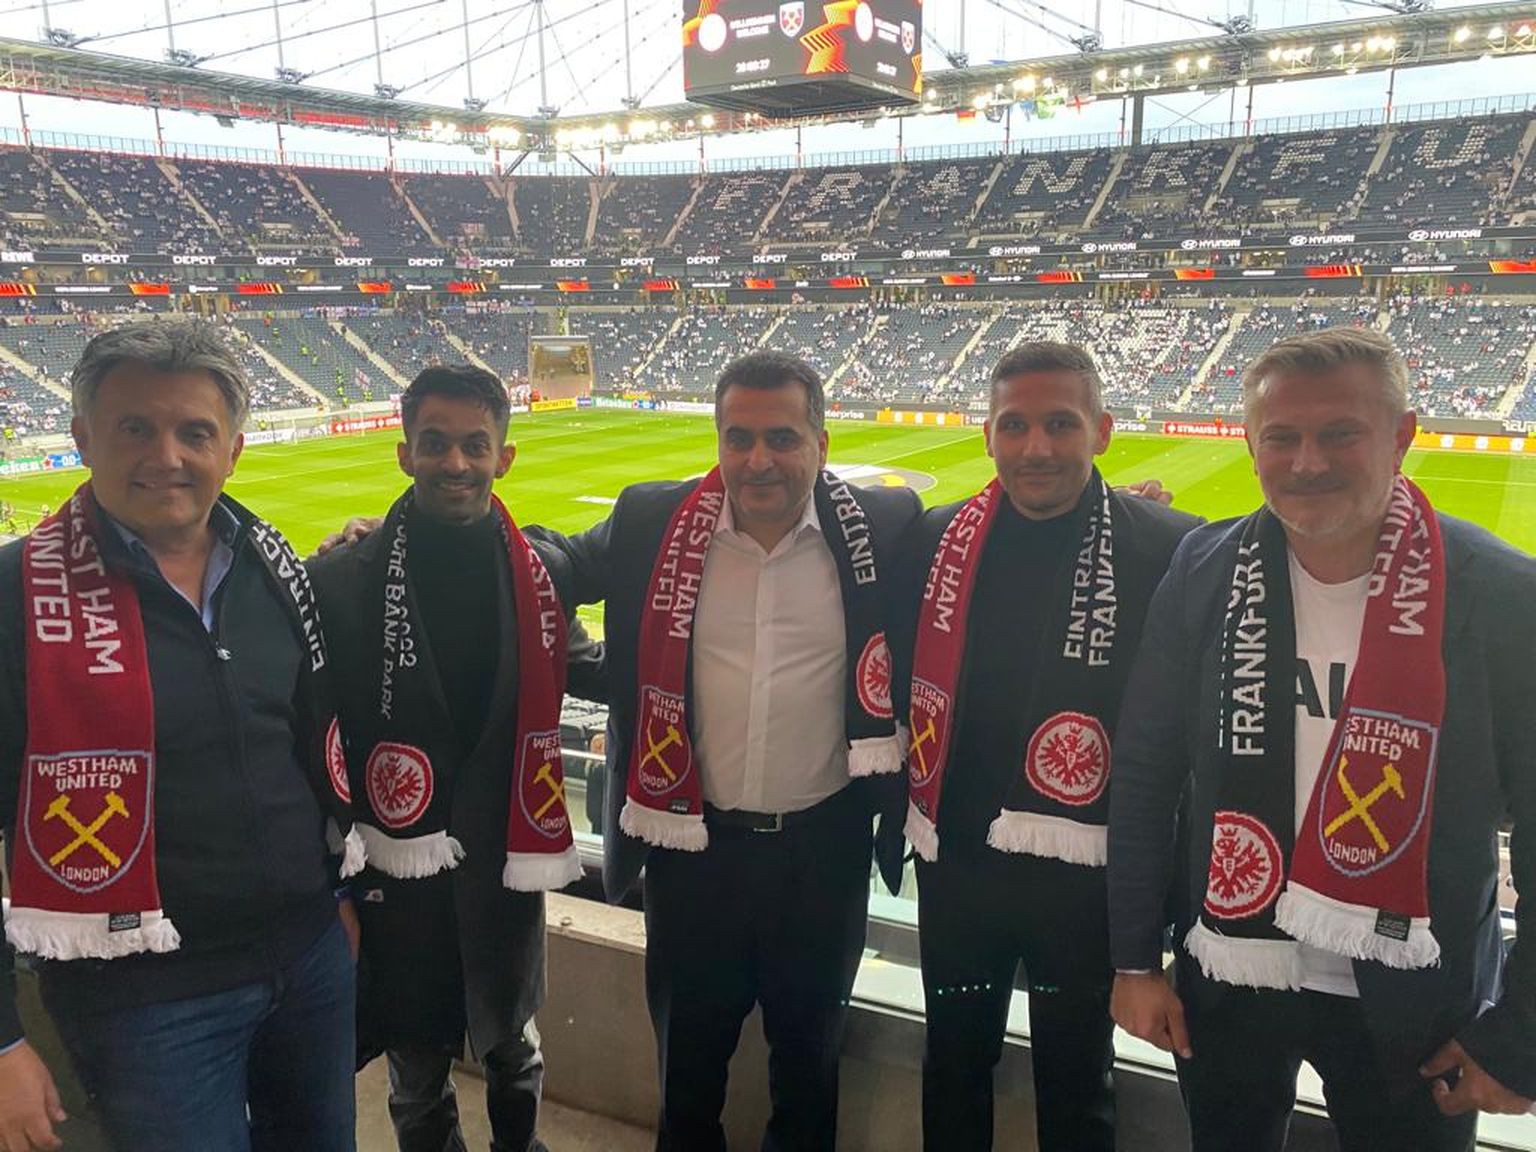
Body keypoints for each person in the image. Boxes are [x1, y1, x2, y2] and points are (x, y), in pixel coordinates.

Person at [1108, 326, 1536, 1151]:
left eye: (1340, 433)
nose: (1307, 463)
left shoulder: (1501, 595)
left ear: (1401, 436)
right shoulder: (1205, 569)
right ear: (1251, 446)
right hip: (1228, 974)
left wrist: (1521, 1036)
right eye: (1282, 438)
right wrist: (1132, 961)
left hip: (1418, 998)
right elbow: (1146, 771)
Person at [534, 350, 918, 1152]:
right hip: (692, 854)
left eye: (782, 438)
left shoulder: (884, 527)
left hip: (823, 855)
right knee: (686, 1080)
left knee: (808, 1078)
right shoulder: (653, 520)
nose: (758, 460)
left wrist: (1125, 519)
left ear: (821, 441)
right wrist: (422, 537)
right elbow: (556, 563)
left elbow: (983, 546)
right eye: (738, 437)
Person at [0, 319, 360, 1152]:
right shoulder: (15, 597)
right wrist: (4, 1041)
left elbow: (304, 751)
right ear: (83, 436)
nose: (166, 457)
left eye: (194, 433)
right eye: (135, 428)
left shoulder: (275, 570)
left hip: (309, 960)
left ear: (233, 451)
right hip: (144, 1002)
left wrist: (336, 901)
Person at [887, 342, 1200, 1151]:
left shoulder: (1168, 547)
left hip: (1087, 885)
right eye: (1015, 426)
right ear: (988, 434)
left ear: (1102, 430)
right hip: (957, 871)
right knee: (953, 1064)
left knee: (1078, 1082)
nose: (1037, 447)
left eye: (1060, 424)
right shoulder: (933, 540)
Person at [308, 364, 601, 1152]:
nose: (455, 462)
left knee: (515, 1048)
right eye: (435, 443)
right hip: (398, 877)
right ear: (404, 451)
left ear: (505, 456)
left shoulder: (538, 574)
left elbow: (596, 669)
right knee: (416, 1071)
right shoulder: (341, 579)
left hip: (505, 866)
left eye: (475, 445)